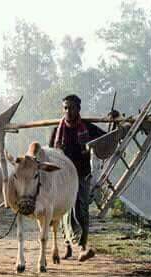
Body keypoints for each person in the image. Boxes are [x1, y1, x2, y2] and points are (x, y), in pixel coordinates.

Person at [49, 94, 105, 261]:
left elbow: (106, 138)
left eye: (71, 107)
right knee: (64, 210)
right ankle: (67, 246)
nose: (68, 111)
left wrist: (115, 120)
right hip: (63, 177)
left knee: (82, 210)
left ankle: (82, 246)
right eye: (65, 107)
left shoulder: (87, 128)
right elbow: (51, 153)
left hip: (82, 175)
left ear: (78, 109)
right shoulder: (57, 131)